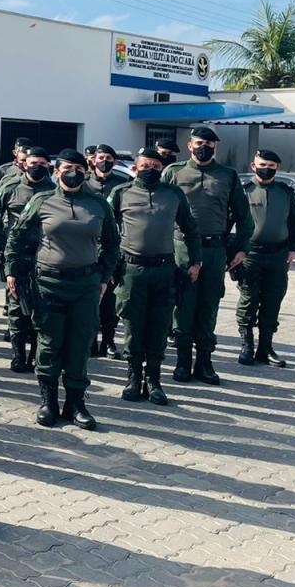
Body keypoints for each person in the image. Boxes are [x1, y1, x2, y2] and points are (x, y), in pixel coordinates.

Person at [5, 150, 119, 431]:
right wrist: (12, 271)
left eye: (80, 168)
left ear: (87, 171)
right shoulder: (41, 200)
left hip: (86, 285)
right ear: (57, 171)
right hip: (48, 284)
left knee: (80, 344)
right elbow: (17, 236)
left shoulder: (98, 205)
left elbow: (112, 244)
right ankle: (48, 401)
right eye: (68, 167)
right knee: (49, 342)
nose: (74, 172)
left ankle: (76, 404)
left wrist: (104, 277)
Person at [108, 148, 201, 406]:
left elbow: (190, 228)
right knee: (133, 325)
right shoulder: (121, 193)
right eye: (145, 166)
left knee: (159, 326)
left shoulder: (173, 194)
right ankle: (133, 378)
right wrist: (109, 266)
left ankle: (155, 381)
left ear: (162, 169)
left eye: (156, 166)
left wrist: (195, 261)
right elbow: (104, 229)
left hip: (164, 270)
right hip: (131, 271)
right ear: (135, 168)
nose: (151, 170)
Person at [162, 126, 253, 385]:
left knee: (208, 305)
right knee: (183, 305)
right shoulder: (174, 172)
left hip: (215, 249)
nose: (205, 147)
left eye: (210, 144)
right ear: (190, 145)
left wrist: (241, 248)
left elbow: (244, 216)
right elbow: (159, 208)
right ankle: (182, 362)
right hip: (182, 248)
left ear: (217, 147)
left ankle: (204, 362)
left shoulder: (228, 175)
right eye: (200, 142)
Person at [236, 150, 295, 369]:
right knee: (249, 300)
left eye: (272, 166)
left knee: (273, 301)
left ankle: (265, 348)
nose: (267, 168)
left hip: (278, 256)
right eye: (263, 164)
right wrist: (234, 252)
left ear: (277, 168)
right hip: (251, 254)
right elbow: (229, 221)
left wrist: (293, 249)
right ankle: (246, 346)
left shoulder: (285, 192)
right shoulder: (244, 191)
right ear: (253, 166)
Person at [0, 147, 55, 372]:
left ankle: (35, 354)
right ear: (24, 164)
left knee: (41, 307)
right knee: (16, 306)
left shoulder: (53, 191)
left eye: (42, 163)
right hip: (17, 254)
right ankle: (18, 355)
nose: (37, 167)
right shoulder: (10, 188)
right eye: (33, 162)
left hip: (44, 255)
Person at [86, 143, 131, 359]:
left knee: (110, 299)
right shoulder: (84, 185)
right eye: (101, 157)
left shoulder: (123, 185)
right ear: (93, 160)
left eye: (109, 158)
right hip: (88, 248)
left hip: (114, 249)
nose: (105, 161)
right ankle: (90, 340)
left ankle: (110, 341)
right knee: (90, 298)